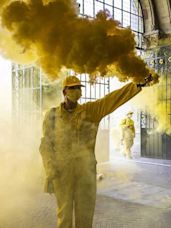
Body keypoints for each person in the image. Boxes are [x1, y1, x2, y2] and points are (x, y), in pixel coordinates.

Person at [39, 75, 153, 228]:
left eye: (79, 88)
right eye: (73, 88)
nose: (77, 91)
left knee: (85, 219)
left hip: (85, 174)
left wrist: (136, 84)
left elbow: (111, 100)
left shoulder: (90, 111)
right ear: (65, 91)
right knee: (64, 218)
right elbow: (46, 145)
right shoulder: (52, 115)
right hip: (62, 174)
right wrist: (50, 171)